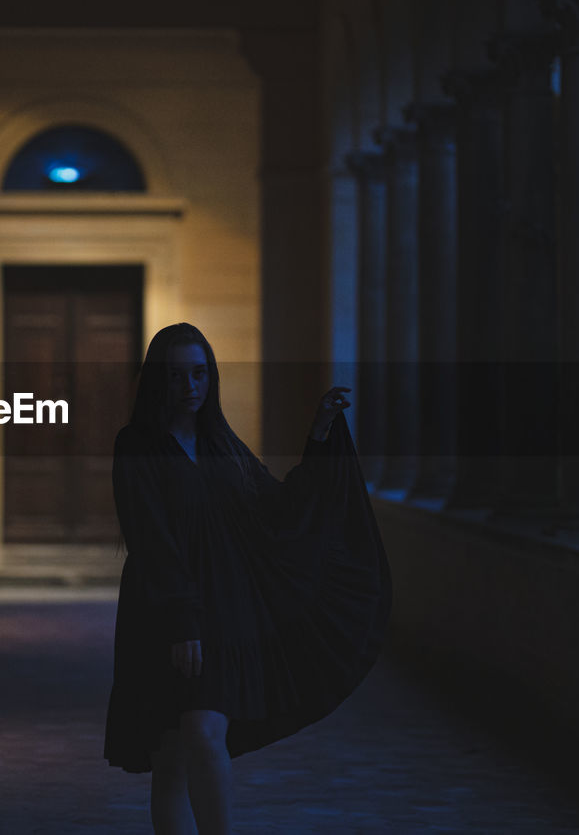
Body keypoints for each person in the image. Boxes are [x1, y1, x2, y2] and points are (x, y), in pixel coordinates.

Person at [102, 322, 392, 835]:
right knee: (170, 758)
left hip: (224, 610)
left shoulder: (221, 443)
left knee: (204, 732)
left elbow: (277, 509)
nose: (190, 386)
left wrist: (320, 435)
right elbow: (153, 541)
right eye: (176, 376)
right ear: (157, 382)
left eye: (199, 374)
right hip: (165, 611)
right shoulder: (136, 445)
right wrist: (181, 621)